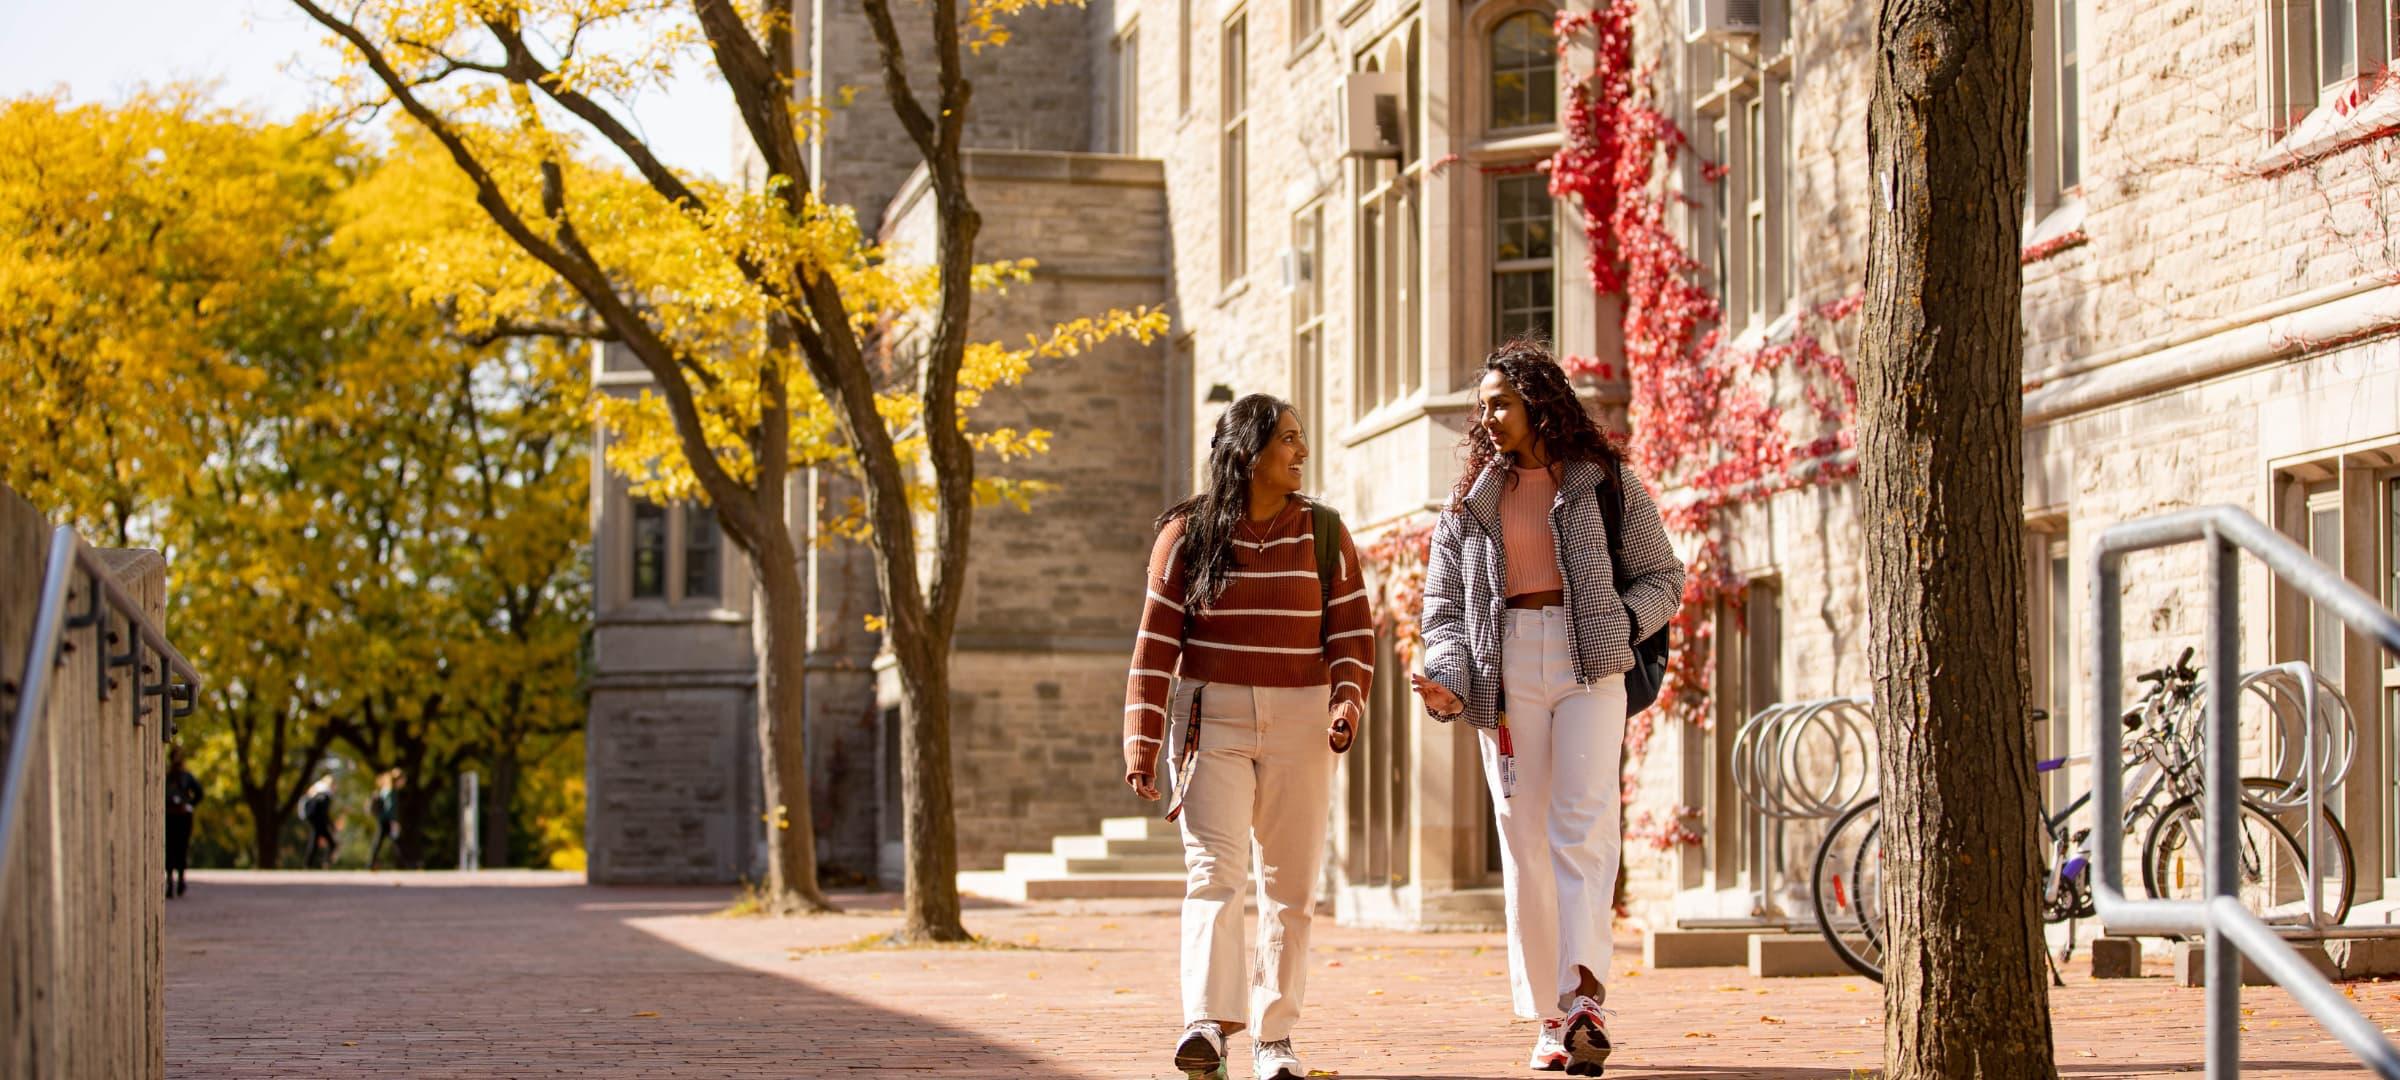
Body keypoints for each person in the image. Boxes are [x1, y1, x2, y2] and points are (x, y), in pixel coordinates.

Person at [1411, 340, 1686, 1077]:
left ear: (1538, 401)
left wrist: (1617, 627)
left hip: (1588, 664)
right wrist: (1445, 677)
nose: (1488, 416)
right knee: (1524, 842)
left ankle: (1587, 1000)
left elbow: (1665, 576)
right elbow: (1441, 612)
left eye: (1500, 402)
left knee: (1583, 827)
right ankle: (1549, 1016)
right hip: (1504, 673)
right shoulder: (1470, 503)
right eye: (1483, 406)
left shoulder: (1606, 482)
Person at [1123, 394, 1373, 1080]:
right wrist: (1143, 740)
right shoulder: (1187, 535)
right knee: (1215, 874)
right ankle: (1206, 1023)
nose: (1300, 452)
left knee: (1290, 888)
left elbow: (1351, 633)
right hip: (1212, 719)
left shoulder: (1325, 532)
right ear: (1247, 452)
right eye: (1288, 439)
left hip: (1302, 717)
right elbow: (1154, 647)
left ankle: (1274, 1038)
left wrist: (1346, 703)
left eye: (1300, 438)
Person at [165, 746, 202, 898]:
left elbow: (199, 792)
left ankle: (180, 879)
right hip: (170, 816)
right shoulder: (167, 777)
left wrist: (189, 805)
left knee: (181, 848)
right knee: (170, 849)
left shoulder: (186, 777)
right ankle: (170, 881)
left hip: (182, 816)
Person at [367, 770, 403, 871]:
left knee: (385, 841)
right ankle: (405, 862)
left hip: (382, 819)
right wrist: (393, 820)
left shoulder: (385, 789)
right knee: (396, 841)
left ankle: (371, 862)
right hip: (387, 820)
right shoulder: (391, 791)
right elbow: (390, 807)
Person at [300, 774, 338, 869]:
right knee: (331, 843)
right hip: (319, 821)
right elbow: (324, 813)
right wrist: (331, 824)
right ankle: (324, 863)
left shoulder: (316, 790)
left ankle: (308, 864)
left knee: (315, 841)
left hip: (313, 819)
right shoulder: (325, 794)